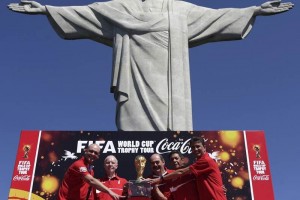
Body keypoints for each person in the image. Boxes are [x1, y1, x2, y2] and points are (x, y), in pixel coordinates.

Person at [8, 0, 294, 131]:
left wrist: (254, 10)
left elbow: (217, 18)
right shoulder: (118, 8)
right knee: (131, 119)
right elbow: (85, 15)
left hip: (171, 82)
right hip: (133, 76)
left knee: (173, 123)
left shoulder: (179, 9)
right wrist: (47, 9)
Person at [148, 137, 227, 200]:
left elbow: (181, 171)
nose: (195, 149)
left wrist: (160, 179)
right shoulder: (170, 176)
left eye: (198, 146)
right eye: (193, 147)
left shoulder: (195, 168)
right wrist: (155, 185)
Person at [57, 144, 124, 200]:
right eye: (91, 151)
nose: (93, 154)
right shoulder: (79, 164)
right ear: (85, 151)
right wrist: (110, 192)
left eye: (96, 153)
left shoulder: (91, 171)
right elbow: (91, 180)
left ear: (98, 156)